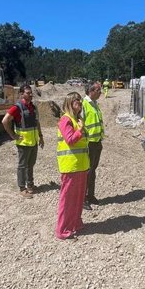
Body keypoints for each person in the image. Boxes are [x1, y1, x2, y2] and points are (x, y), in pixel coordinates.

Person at [55, 92, 89, 240]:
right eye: (77, 101)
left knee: (78, 198)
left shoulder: (78, 119)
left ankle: (75, 223)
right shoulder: (65, 120)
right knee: (67, 199)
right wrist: (80, 130)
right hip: (70, 166)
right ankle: (62, 230)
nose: (80, 103)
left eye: (80, 101)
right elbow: (70, 140)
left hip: (80, 165)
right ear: (69, 102)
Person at [2, 84, 44, 199]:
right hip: (23, 143)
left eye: (31, 93)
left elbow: (37, 123)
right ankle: (22, 188)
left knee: (30, 165)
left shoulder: (33, 107)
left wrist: (41, 136)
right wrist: (13, 136)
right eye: (28, 93)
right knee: (22, 166)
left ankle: (30, 185)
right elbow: (5, 121)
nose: (31, 95)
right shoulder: (17, 107)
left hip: (33, 142)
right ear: (21, 94)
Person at [82, 81, 104, 209]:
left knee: (92, 170)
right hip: (89, 143)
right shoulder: (84, 104)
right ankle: (83, 198)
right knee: (87, 171)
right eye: (98, 90)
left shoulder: (95, 104)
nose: (100, 92)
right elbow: (81, 125)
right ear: (90, 91)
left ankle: (91, 195)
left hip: (97, 142)